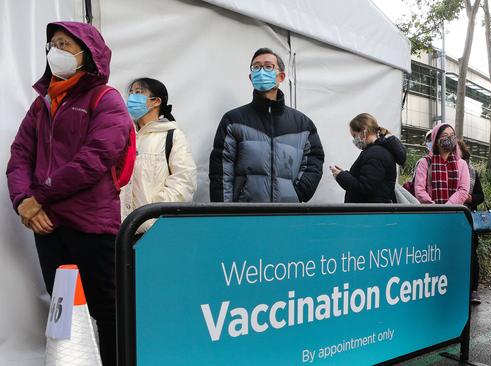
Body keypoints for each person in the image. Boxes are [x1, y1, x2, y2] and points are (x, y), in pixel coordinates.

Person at [6, 22, 132, 365]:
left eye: (65, 44)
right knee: (63, 310)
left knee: (108, 311)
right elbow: (19, 157)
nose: (55, 51)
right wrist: (23, 203)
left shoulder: (107, 100)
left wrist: (38, 198)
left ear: (87, 53)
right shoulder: (43, 104)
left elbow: (94, 159)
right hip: (48, 226)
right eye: (52, 45)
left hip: (92, 225)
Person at [209, 48, 324, 202]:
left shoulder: (302, 124)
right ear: (251, 77)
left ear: (281, 76)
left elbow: (314, 161)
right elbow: (221, 172)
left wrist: (298, 193)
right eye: (256, 67)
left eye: (268, 66)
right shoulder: (233, 120)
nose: (261, 71)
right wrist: (225, 212)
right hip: (244, 216)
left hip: (287, 215)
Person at [121, 78, 197, 235]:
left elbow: (184, 182)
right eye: (131, 93)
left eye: (138, 92)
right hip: (121, 231)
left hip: (154, 231)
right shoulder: (124, 136)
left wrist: (153, 215)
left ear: (156, 101)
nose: (132, 98)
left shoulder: (173, 136)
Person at [329, 113, 406, 202]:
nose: (354, 140)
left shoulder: (376, 154)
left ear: (364, 131)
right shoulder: (375, 151)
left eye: (354, 135)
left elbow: (364, 188)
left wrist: (341, 176)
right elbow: (366, 180)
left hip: (369, 212)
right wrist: (343, 174)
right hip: (371, 211)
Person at [413, 123, 470, 205]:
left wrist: (448, 206)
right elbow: (419, 189)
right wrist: (434, 207)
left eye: (452, 135)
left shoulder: (461, 164)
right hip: (431, 212)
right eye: (445, 135)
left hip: (454, 212)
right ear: (436, 141)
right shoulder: (425, 162)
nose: (450, 138)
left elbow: (463, 190)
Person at [458, 140, 485, 304]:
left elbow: (480, 196)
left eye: (457, 150)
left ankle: (473, 290)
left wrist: (470, 197)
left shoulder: (472, 171)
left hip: (468, 218)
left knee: (471, 255)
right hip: (450, 218)